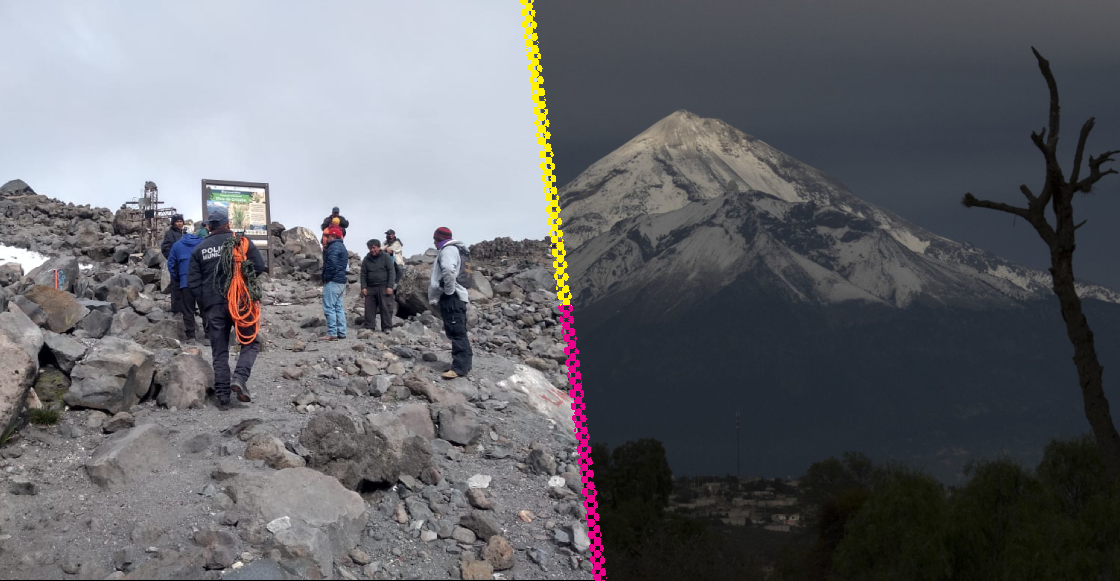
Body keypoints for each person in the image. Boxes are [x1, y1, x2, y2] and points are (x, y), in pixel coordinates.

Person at [188, 209, 265, 410]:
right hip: (240, 301)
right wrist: (244, 281)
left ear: (209, 227)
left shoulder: (200, 249)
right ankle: (239, 378)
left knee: (219, 349)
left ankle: (223, 396)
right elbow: (259, 265)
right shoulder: (242, 242)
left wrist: (205, 304)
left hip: (213, 306)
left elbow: (193, 282)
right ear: (228, 224)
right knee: (250, 342)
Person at [429, 226, 472, 379]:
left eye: (435, 239)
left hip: (452, 297)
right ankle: (465, 364)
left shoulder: (448, 250)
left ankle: (459, 368)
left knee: (456, 331)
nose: (433, 242)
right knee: (458, 330)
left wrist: (448, 291)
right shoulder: (457, 250)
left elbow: (448, 270)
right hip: (457, 297)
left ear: (438, 239)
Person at [167, 230, 206, 343]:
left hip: (185, 282)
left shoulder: (177, 245)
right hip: (201, 282)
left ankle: (191, 336)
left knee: (188, 309)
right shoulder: (203, 243)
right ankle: (208, 335)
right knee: (205, 309)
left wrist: (178, 279)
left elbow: (171, 264)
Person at [360, 239, 396, 332]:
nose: (372, 250)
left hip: (384, 286)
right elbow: (363, 274)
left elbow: (391, 272)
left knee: (386, 308)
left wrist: (390, 286)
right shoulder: (366, 259)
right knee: (369, 309)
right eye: (370, 248)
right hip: (370, 287)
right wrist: (363, 287)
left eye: (374, 248)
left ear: (378, 247)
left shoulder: (386, 257)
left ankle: (387, 327)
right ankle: (369, 327)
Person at [320, 225, 349, 340]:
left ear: (333, 236)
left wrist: (326, 277)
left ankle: (332, 333)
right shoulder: (342, 247)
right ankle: (342, 332)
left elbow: (331, 263)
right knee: (339, 307)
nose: (326, 238)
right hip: (341, 281)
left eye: (328, 236)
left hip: (333, 281)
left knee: (329, 307)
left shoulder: (333, 248)